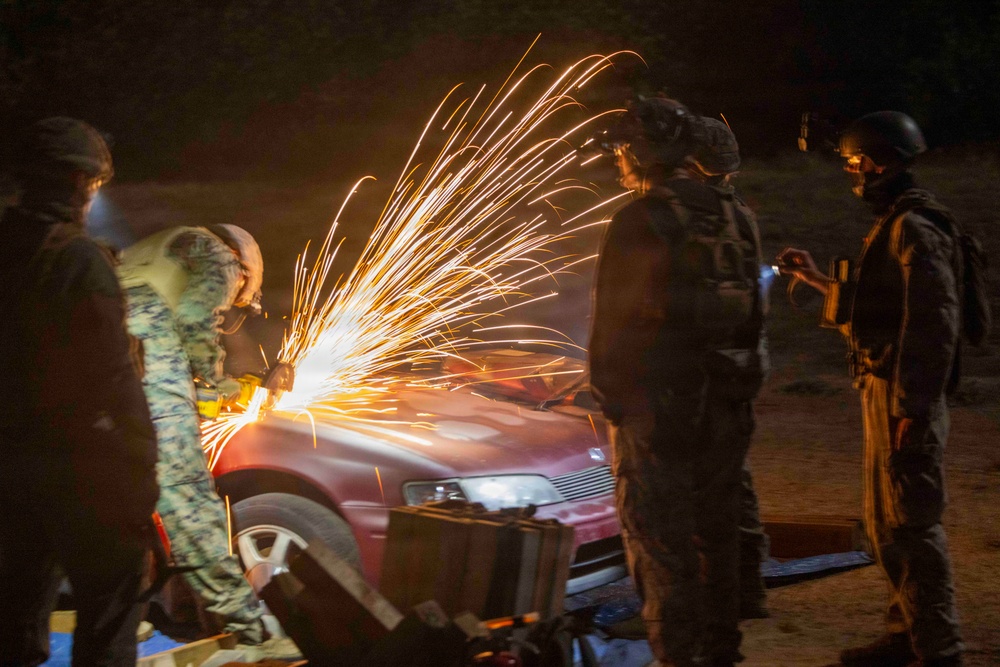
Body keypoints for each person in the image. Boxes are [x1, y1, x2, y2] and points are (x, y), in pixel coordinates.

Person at [778, 111, 964, 667]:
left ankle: (940, 648)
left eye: (856, 163)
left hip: (903, 397)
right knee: (886, 524)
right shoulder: (896, 222)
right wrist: (817, 281)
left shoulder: (914, 227)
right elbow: (882, 312)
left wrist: (912, 406)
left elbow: (934, 325)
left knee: (911, 523)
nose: (853, 174)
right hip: (886, 389)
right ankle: (905, 634)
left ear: (877, 162)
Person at [589, 98, 768, 667]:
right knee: (716, 533)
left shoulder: (641, 218)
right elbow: (755, 316)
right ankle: (721, 653)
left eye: (622, 149)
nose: (618, 160)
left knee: (660, 542)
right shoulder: (738, 213)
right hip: (727, 403)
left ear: (642, 151)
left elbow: (613, 323)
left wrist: (610, 396)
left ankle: (679, 657)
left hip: (661, 411)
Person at [0, 117, 160, 665]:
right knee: (111, 609)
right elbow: (113, 385)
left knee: (13, 622)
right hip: (78, 474)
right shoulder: (76, 260)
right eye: (93, 187)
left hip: (10, 474)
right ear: (77, 183)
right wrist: (142, 484)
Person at [117, 223, 294, 657]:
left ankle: (122, 622)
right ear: (245, 267)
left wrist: (209, 387)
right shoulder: (221, 255)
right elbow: (196, 319)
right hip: (149, 367)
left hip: (93, 367)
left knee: (121, 503)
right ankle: (250, 631)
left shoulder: (149, 251)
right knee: (189, 503)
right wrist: (212, 380)